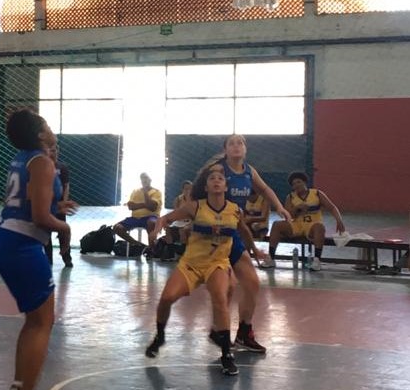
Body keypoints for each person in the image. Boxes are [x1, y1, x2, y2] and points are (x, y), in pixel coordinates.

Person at [0, 109, 75, 390]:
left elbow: (30, 203)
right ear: (40, 135)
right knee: (43, 322)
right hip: (20, 243)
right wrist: (63, 228)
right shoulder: (43, 161)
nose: (52, 129)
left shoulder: (23, 158)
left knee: (35, 320)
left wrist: (56, 207)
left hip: (6, 238)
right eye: (48, 125)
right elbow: (39, 217)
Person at [145, 163, 241, 376]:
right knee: (167, 298)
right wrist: (156, 230)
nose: (216, 180)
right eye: (212, 178)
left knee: (220, 298)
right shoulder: (195, 207)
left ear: (225, 186)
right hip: (191, 263)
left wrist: (255, 251)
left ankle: (226, 354)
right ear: (206, 187)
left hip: (217, 263)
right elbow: (165, 218)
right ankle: (160, 336)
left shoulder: (234, 210)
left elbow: (242, 232)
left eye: (220, 178)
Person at [214, 133, 291, 354]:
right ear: (225, 149)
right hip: (214, 236)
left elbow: (265, 190)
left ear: (245, 149)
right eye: (232, 143)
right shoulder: (218, 171)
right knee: (225, 288)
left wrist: (279, 207)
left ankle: (244, 334)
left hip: (234, 231)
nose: (237, 146)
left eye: (240, 143)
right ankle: (218, 331)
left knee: (252, 284)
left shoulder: (249, 171)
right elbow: (198, 198)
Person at [266, 171, 346, 271]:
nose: (296, 185)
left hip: (312, 225)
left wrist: (339, 220)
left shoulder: (317, 193)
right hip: (297, 225)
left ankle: (317, 260)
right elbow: (287, 215)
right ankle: (271, 258)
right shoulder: (290, 197)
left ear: (305, 182)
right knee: (276, 225)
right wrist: (297, 208)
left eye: (298, 182)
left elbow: (332, 208)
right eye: (294, 184)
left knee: (320, 227)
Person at [113, 173, 161, 253]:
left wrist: (145, 193)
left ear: (150, 180)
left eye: (146, 178)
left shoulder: (156, 192)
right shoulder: (135, 191)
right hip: (135, 218)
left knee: (152, 223)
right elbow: (131, 206)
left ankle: (152, 250)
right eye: (142, 178)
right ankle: (139, 245)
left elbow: (152, 208)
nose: (144, 180)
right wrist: (145, 205)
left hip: (150, 216)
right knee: (117, 227)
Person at [44, 149, 73, 268]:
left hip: (59, 205)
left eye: (55, 151)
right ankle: (48, 259)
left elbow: (66, 185)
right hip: (46, 205)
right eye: (51, 151)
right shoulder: (42, 166)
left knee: (63, 232)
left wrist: (64, 202)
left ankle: (67, 258)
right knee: (46, 233)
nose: (53, 153)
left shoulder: (62, 167)